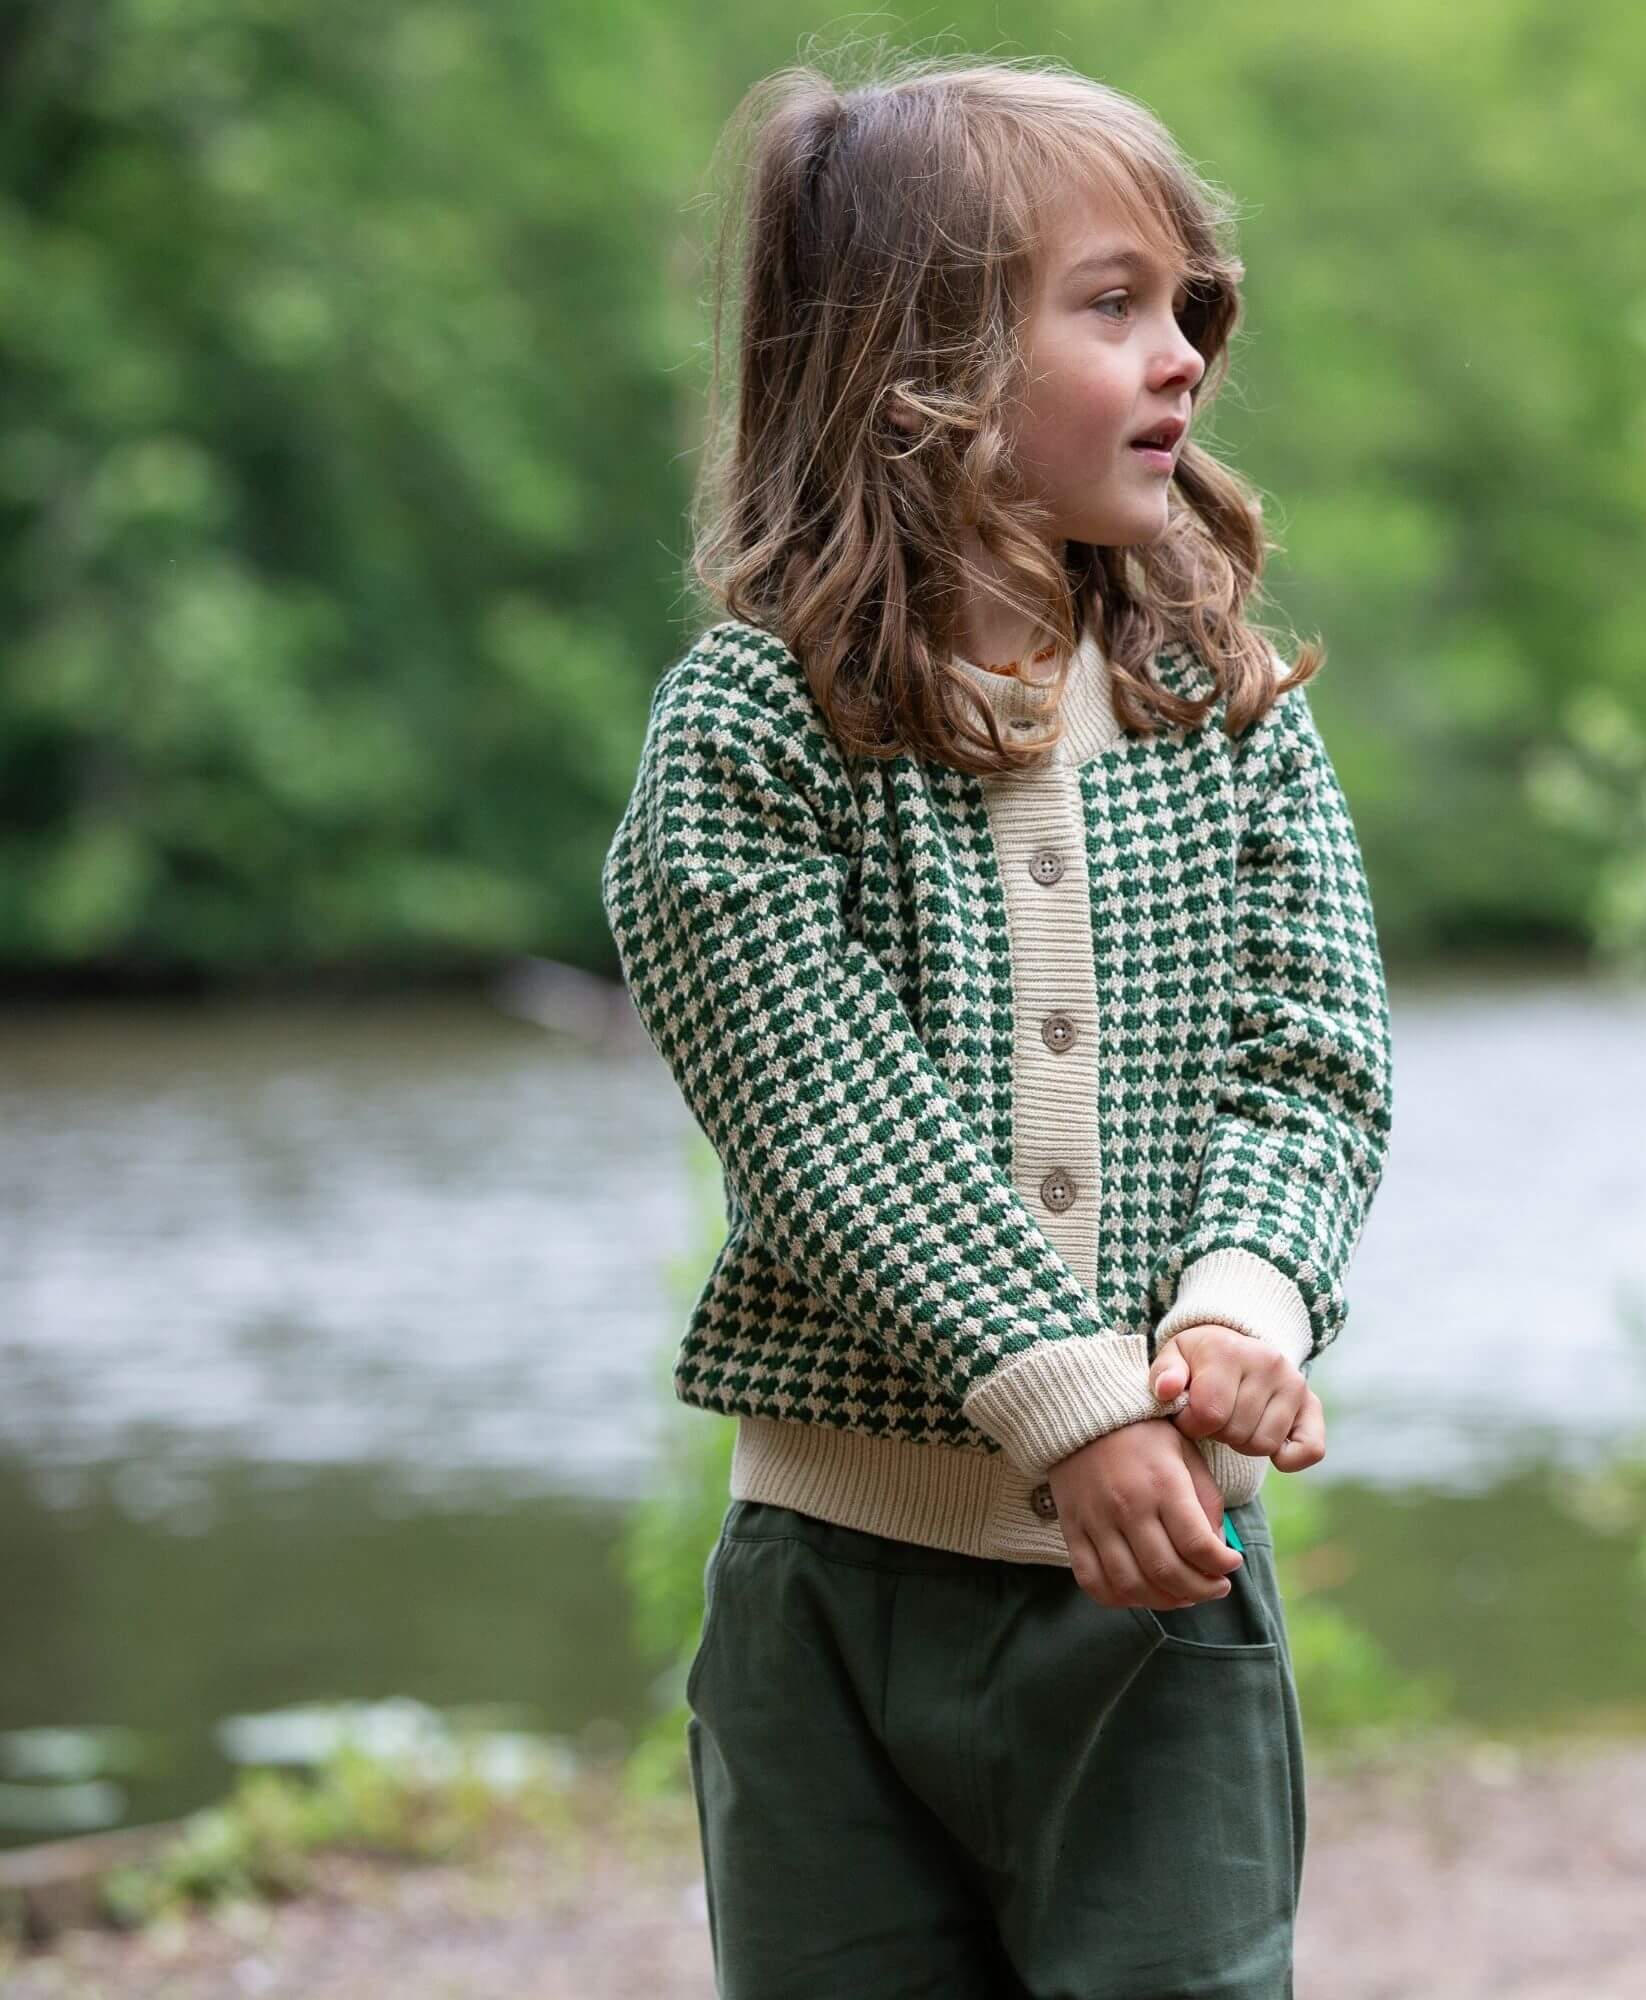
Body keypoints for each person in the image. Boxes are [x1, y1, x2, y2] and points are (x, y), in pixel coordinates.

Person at [601, 50, 1394, 1999]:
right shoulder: (755, 736)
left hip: (1164, 1599)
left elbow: (1314, 1053)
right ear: (918, 369)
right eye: (1112, 304)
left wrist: (1234, 1310)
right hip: (837, 1605)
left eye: (1186, 304)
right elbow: (821, 1113)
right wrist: (1066, 1398)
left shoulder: (1220, 703)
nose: (1187, 352)